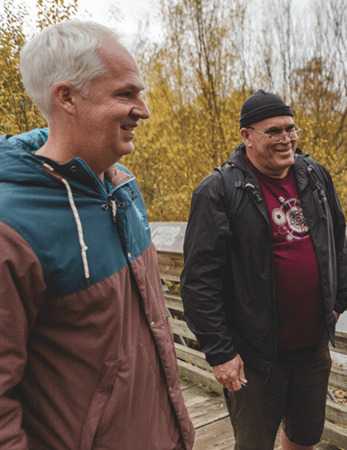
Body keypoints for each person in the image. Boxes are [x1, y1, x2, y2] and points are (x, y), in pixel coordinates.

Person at [0, 20, 194, 449]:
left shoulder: (123, 185)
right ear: (67, 97)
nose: (144, 109)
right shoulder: (11, 229)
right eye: (126, 94)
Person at [181, 90, 347, 449]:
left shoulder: (315, 176)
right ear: (247, 136)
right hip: (254, 355)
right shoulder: (219, 190)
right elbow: (199, 282)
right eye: (273, 131)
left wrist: (339, 301)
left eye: (290, 128)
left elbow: (337, 238)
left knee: (305, 436)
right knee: (254, 443)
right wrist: (220, 353)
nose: (286, 138)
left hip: (312, 346)